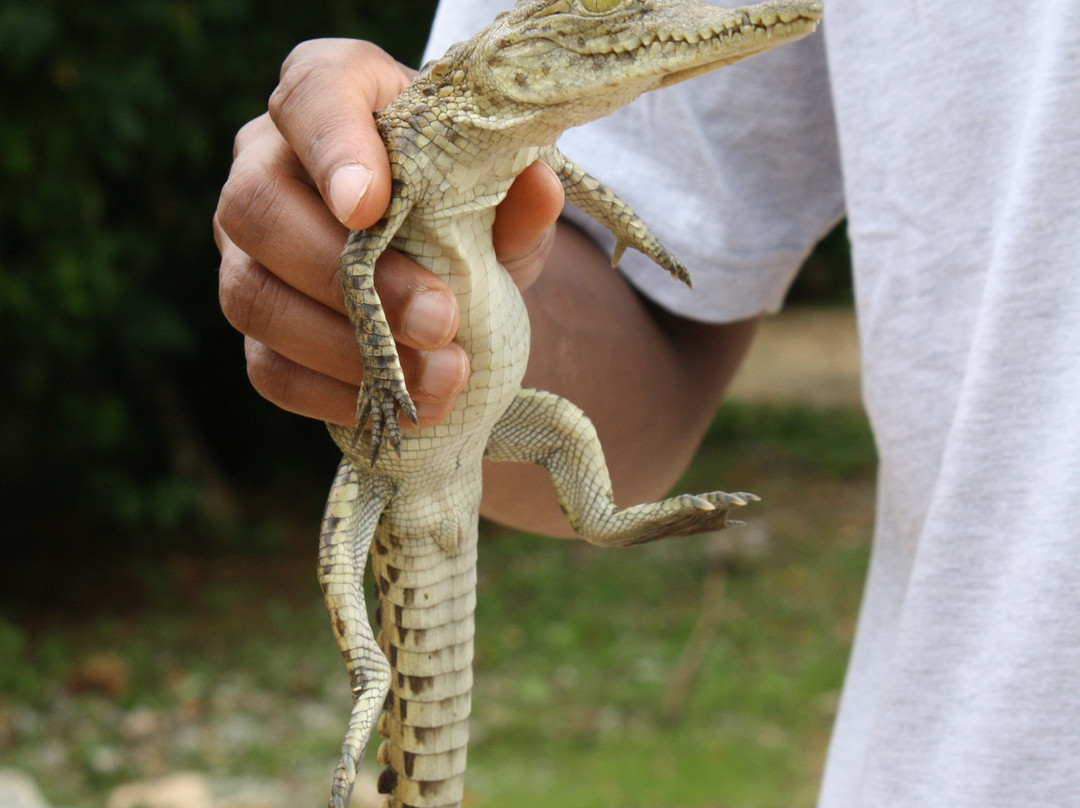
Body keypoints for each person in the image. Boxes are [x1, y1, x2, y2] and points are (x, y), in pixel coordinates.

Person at [214, 1, 1080, 806]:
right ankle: (371, 680)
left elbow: (571, 172)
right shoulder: (463, 128)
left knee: (553, 435)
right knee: (364, 588)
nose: (640, 14)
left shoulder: (530, 131)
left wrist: (627, 224)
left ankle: (597, 530)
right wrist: (329, 295)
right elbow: (406, 261)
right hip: (960, 755)